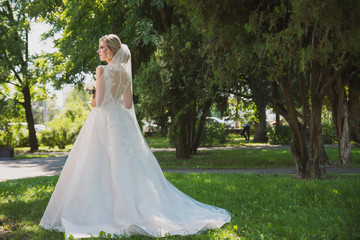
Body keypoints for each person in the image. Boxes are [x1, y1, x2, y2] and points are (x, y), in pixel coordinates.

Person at [39, 34, 231, 239]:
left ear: (111, 51)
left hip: (103, 121)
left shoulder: (101, 70)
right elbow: (128, 104)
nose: (99, 51)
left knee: (96, 162)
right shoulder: (125, 74)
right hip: (121, 122)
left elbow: (100, 102)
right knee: (125, 163)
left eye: (101, 47)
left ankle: (102, 207)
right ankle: (132, 204)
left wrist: (92, 97)